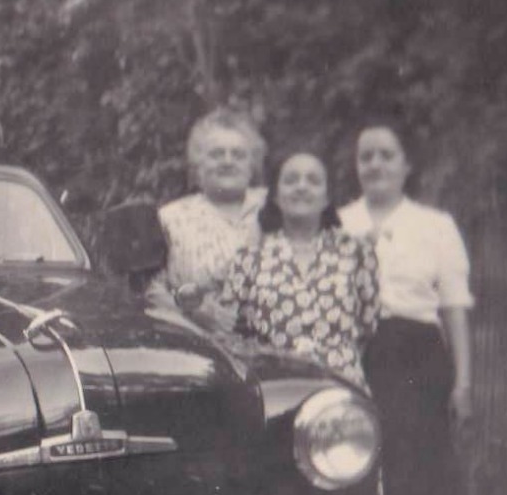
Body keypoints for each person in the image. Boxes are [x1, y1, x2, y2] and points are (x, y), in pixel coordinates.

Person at [337, 118, 476, 495]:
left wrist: (463, 381)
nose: (375, 165)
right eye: (366, 156)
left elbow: (455, 309)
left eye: (386, 155)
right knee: (365, 493)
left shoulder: (436, 226)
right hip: (356, 359)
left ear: (405, 165)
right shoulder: (339, 222)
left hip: (419, 365)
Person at [213, 151, 379, 386]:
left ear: (327, 197)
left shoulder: (357, 252)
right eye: (291, 180)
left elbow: (368, 325)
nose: (302, 187)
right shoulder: (249, 257)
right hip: (275, 386)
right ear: (277, 196)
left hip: (342, 387)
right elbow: (229, 330)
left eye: (313, 180)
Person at [145, 109, 267, 328]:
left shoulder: (275, 209)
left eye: (238, 155)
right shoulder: (171, 218)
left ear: (252, 165)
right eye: (216, 154)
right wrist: (193, 311)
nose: (228, 162)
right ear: (198, 165)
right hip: (199, 344)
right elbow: (151, 292)